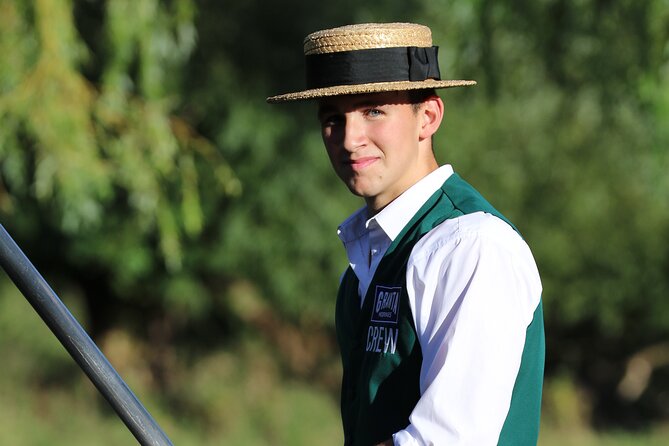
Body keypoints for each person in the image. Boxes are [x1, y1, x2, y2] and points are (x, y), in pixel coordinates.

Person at [267, 23, 545, 446]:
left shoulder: (471, 247)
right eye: (332, 119)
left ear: (428, 116)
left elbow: (450, 441)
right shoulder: (360, 271)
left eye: (373, 110)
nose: (350, 139)